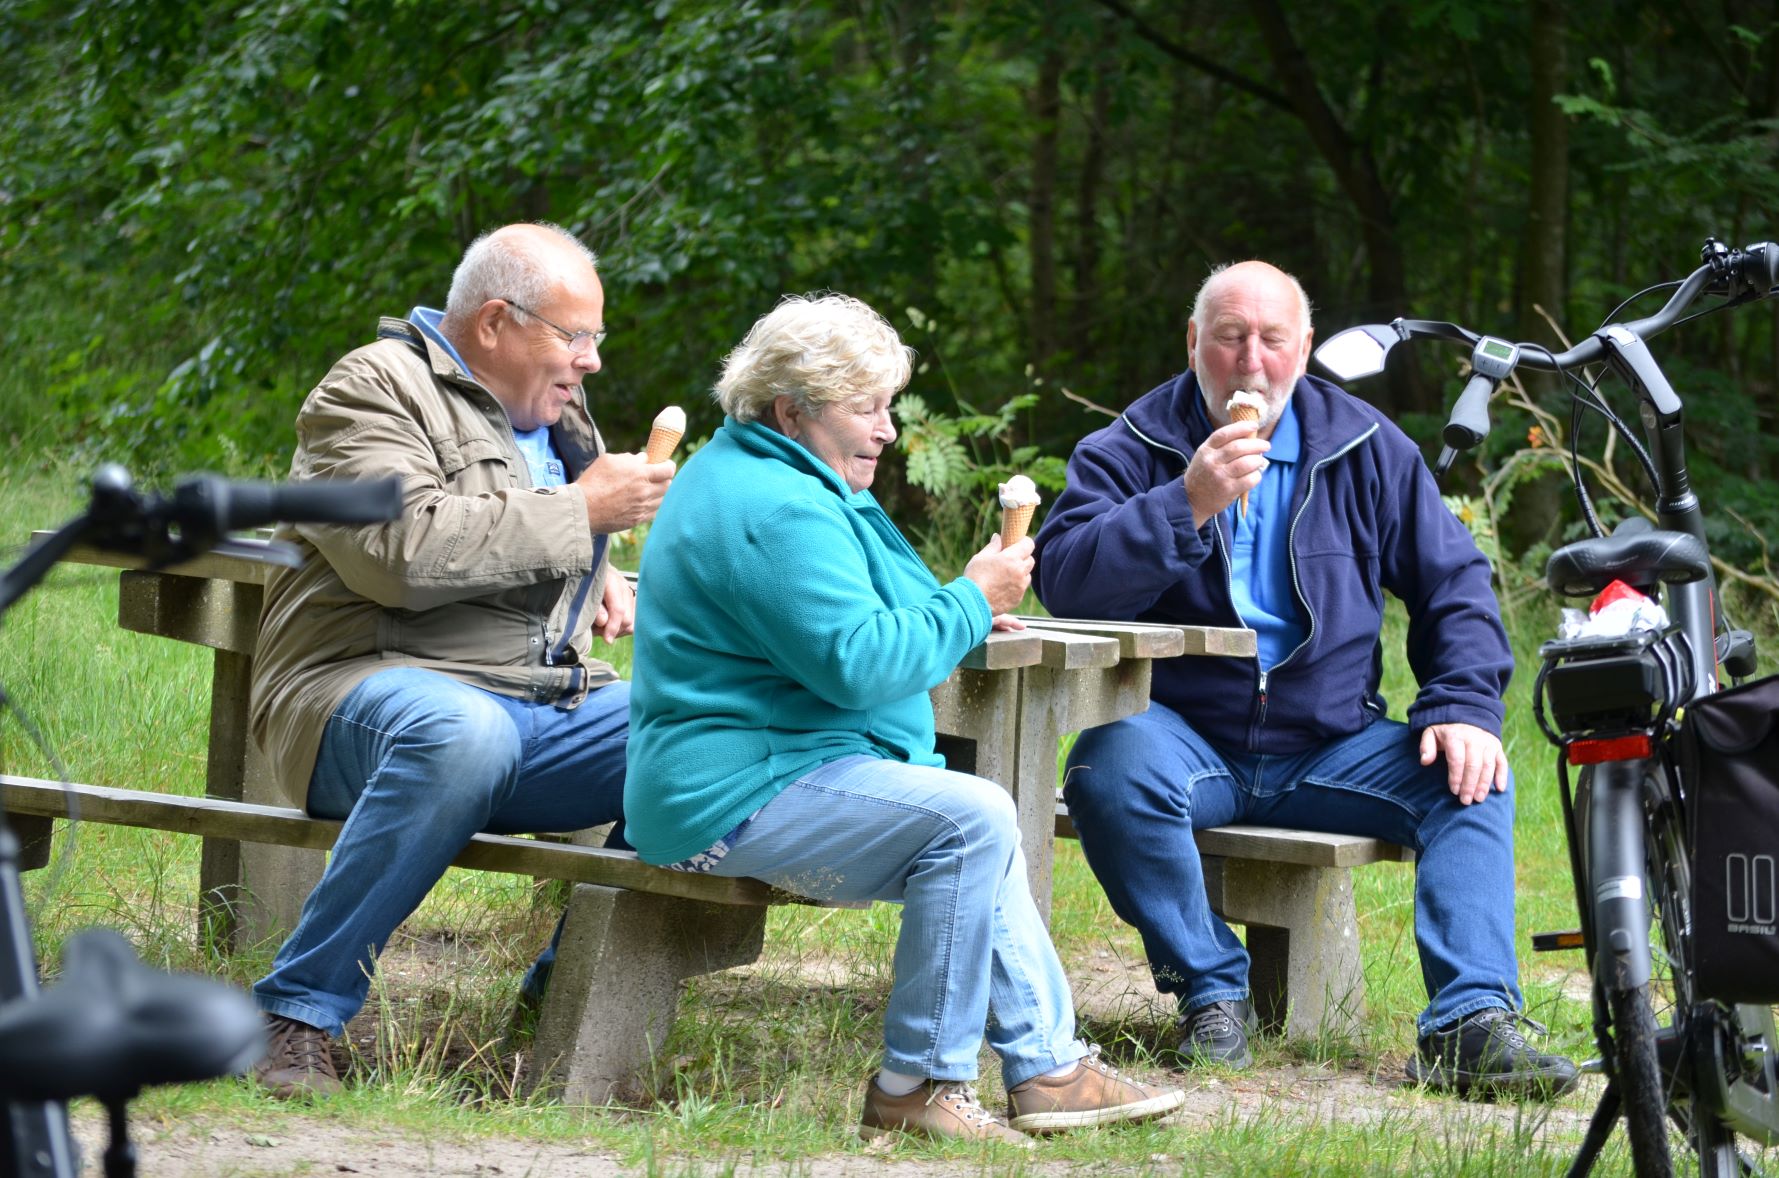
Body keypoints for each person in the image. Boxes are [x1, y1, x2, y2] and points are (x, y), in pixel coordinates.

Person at [624, 294, 1186, 1143]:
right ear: (791, 410)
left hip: (783, 765)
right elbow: (859, 663)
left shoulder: (778, 471)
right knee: (969, 816)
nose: (886, 429)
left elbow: (872, 601)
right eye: (867, 407)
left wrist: (963, 605)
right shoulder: (774, 505)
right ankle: (916, 1086)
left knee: (967, 816)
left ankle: (1046, 1070)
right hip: (731, 794)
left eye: (887, 405)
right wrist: (969, 599)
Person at [1034, 260, 1578, 1100]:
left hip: (1331, 741)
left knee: (1473, 780)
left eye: (1271, 339)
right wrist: (1185, 502)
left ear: (1304, 349)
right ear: (1192, 344)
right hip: (1183, 736)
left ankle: (1469, 1024)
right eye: (1228, 337)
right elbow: (1066, 581)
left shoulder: (1364, 445)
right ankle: (1212, 996)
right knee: (1106, 768)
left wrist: (1463, 704)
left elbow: (1452, 584)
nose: (1250, 361)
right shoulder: (1129, 446)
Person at [246, 222, 674, 1098]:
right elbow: (397, 551)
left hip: (532, 704)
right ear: (493, 323)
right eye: (574, 335)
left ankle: (567, 994)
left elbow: (523, 526)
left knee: (700, 726)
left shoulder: (555, 411)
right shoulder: (370, 389)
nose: (590, 360)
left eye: (596, 338)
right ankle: (295, 1017)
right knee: (459, 734)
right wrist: (579, 518)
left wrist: (596, 573)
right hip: (355, 697)